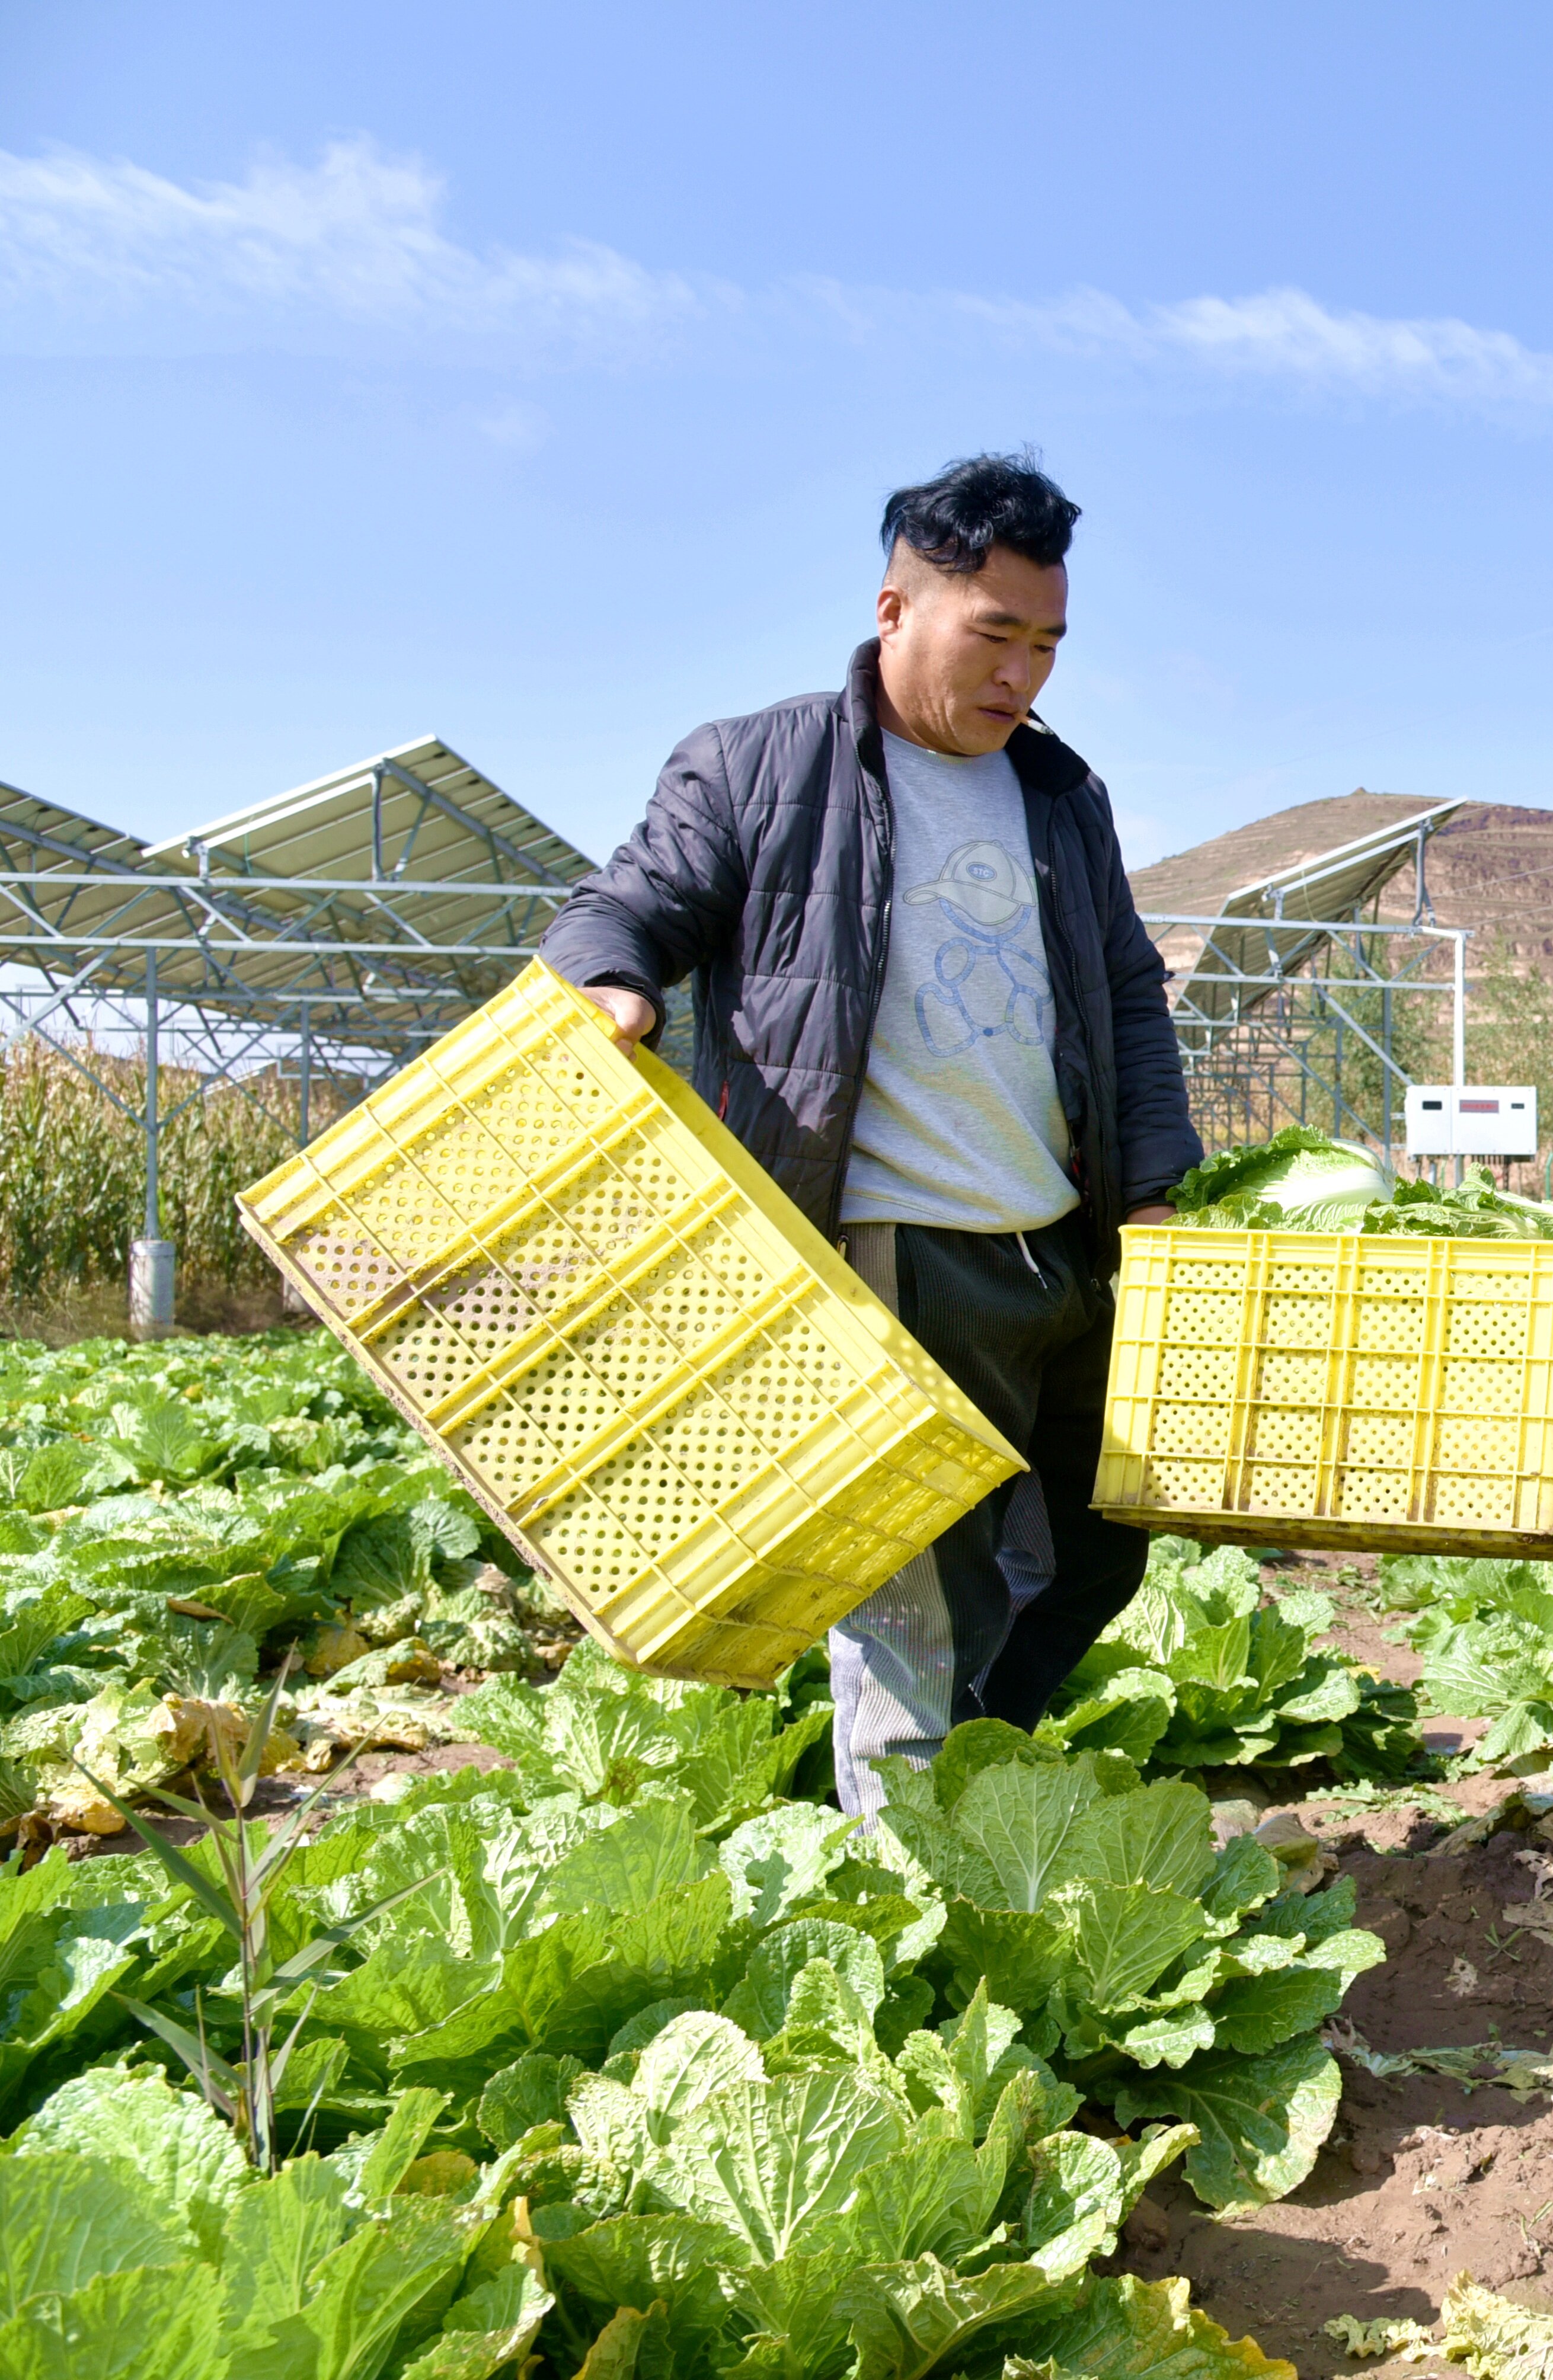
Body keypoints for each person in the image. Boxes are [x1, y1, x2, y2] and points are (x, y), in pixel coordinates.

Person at [541, 452, 1196, 1813]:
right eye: (995, 635)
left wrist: (1153, 1186)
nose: (1023, 674)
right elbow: (623, 906)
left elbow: (1127, 992)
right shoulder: (756, 766)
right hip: (893, 1243)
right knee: (917, 1598)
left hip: (1060, 1247)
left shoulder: (1061, 796)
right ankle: (904, 1906)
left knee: (1103, 1546)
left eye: (1048, 643)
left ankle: (966, 1763)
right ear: (896, 606)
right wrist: (609, 982)